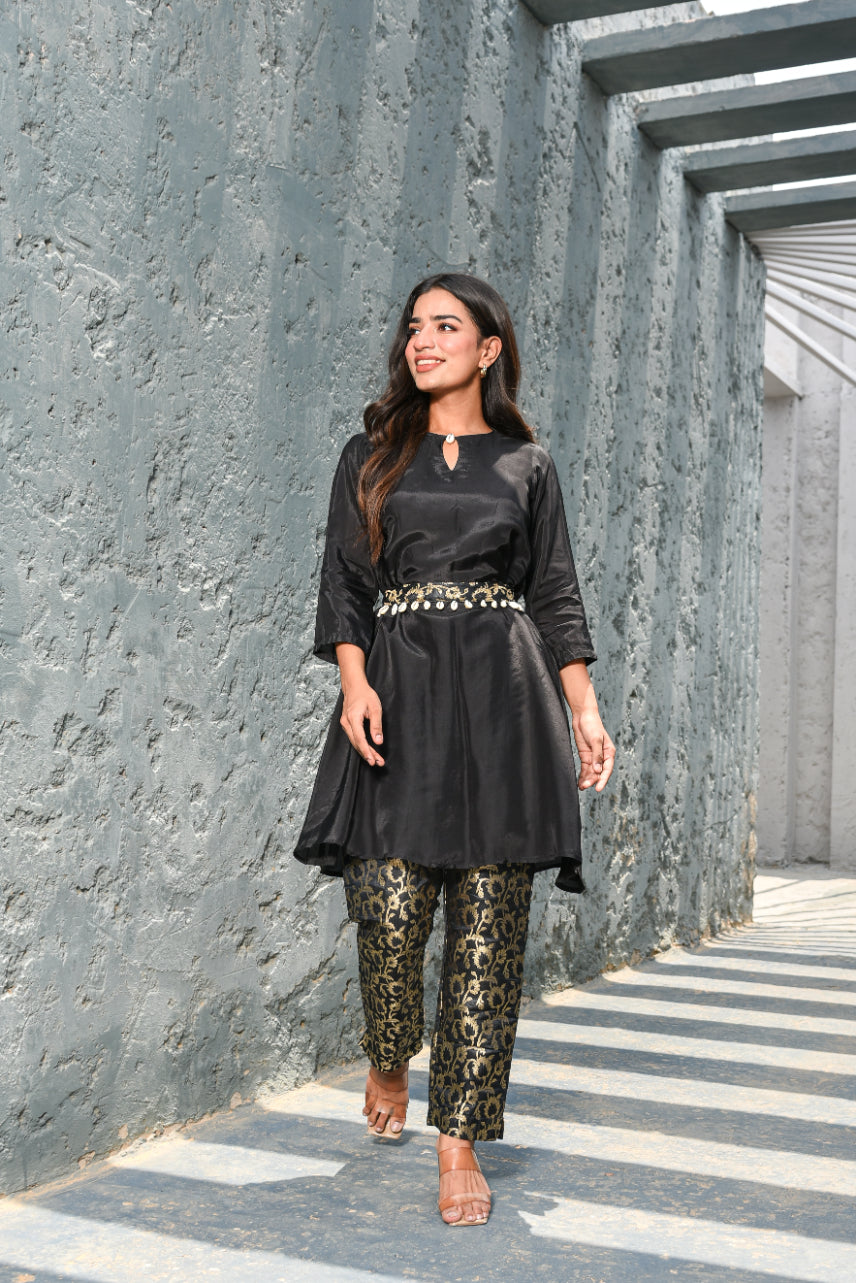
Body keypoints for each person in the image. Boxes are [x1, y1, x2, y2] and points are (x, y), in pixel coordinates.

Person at [294, 272, 615, 1226]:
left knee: (488, 937)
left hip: (507, 708)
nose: (421, 340)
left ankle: (458, 1140)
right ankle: (390, 1050)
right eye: (413, 327)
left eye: (445, 326)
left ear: (488, 350)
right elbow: (346, 582)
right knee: (389, 915)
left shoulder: (527, 464)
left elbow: (553, 592)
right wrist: (354, 681)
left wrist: (586, 710)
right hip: (398, 697)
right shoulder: (371, 455)